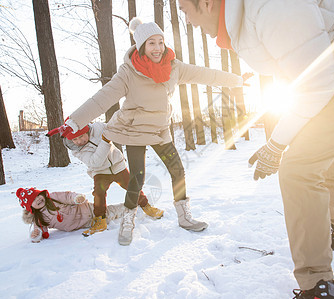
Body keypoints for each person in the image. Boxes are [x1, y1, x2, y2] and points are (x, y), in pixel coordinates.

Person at [178, 0, 334, 298]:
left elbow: (316, 82)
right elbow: (296, 70)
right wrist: (283, 133)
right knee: (321, 158)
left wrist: (277, 144)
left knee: (300, 169)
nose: (186, 19)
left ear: (204, 3)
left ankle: (318, 286)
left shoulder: (269, 6)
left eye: (184, 10)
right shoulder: (243, 17)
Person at [55, 17, 250, 246]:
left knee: (177, 169)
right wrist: (75, 121)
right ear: (141, 46)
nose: (157, 48)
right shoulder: (128, 72)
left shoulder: (174, 67)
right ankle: (128, 221)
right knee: (136, 178)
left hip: (159, 129)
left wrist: (236, 80)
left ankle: (184, 217)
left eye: (160, 42)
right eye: (151, 43)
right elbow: (101, 99)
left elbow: (205, 74)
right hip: (134, 130)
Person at [47, 121, 164, 237]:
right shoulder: (76, 151)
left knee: (132, 187)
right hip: (100, 171)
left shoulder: (98, 128)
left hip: (117, 166)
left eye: (80, 136)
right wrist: (105, 141)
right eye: (74, 140)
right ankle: (100, 219)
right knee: (99, 193)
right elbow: (95, 162)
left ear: (86, 130)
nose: (78, 141)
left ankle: (146, 206)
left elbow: (113, 128)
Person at [16, 187, 125, 243]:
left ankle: (128, 205)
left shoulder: (53, 197)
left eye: (37, 196)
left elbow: (67, 196)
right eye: (33, 201)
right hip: (85, 224)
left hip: (88, 210)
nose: (38, 199)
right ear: (31, 207)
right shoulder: (39, 218)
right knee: (106, 219)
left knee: (110, 212)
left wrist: (76, 198)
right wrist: (36, 235)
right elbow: (40, 230)